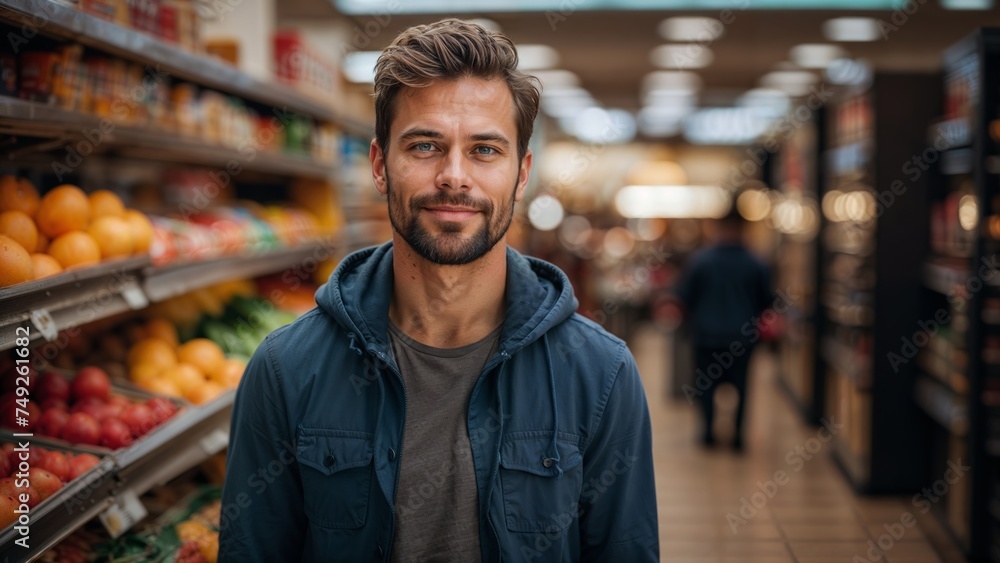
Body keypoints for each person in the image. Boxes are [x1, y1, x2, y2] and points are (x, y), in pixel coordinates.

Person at [219, 19, 658, 562]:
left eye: (484, 150)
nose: (454, 176)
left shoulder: (600, 373)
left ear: (521, 175)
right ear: (381, 166)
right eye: (425, 146)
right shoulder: (286, 370)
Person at [676, 206, 774, 451]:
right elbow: (768, 301)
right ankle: (738, 436)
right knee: (741, 387)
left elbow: (685, 297)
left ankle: (708, 433)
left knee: (706, 386)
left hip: (706, 335)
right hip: (742, 336)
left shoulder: (701, 260)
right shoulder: (755, 262)